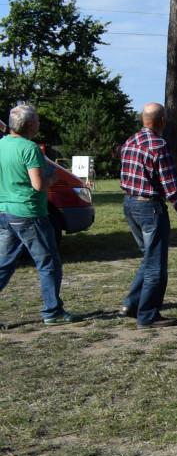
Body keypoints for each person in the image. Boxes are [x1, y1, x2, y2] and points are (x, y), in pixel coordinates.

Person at [0, 104, 82, 325]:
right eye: (37, 120)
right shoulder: (30, 148)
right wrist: (53, 178)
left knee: (4, 265)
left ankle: (52, 311)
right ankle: (52, 312)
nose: (38, 124)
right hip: (29, 213)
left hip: (5, 212)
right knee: (48, 263)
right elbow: (39, 185)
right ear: (29, 124)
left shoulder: (2, 145)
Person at [119, 103, 177, 328]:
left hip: (130, 203)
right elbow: (170, 185)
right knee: (155, 265)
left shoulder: (129, 142)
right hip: (150, 207)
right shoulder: (159, 146)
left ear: (144, 119)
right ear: (161, 120)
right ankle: (148, 315)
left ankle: (131, 305)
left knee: (149, 257)